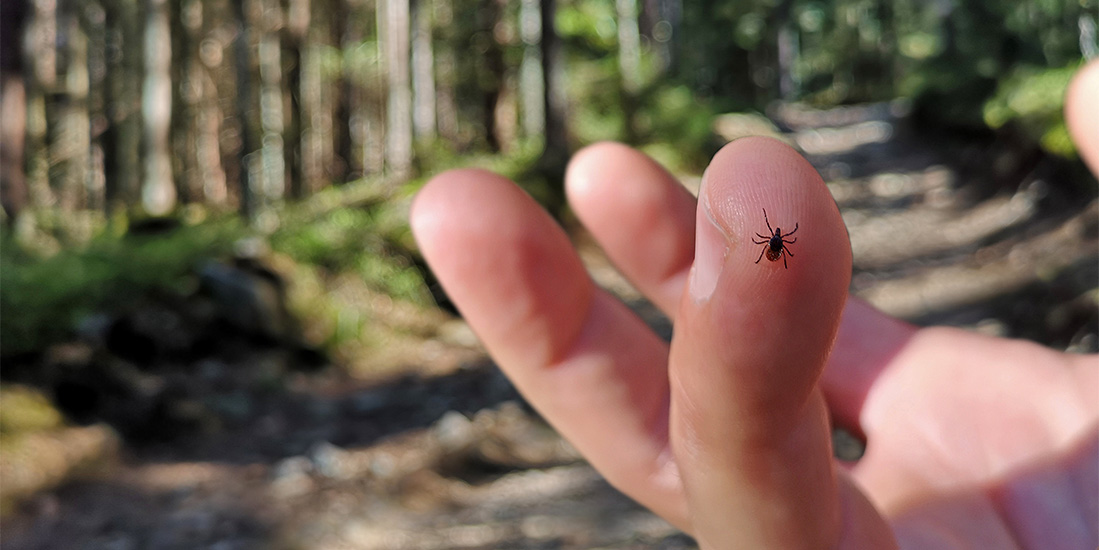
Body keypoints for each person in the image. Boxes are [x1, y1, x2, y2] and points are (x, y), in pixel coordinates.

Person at [410, 59, 1099, 549]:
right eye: (774, 238)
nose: (774, 239)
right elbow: (782, 238)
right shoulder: (775, 240)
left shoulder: (777, 240)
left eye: (774, 238)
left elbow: (784, 239)